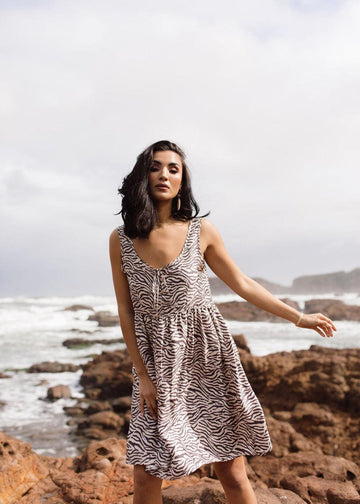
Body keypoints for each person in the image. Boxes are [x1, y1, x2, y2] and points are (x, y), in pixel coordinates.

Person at [109, 140, 336, 504]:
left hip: (206, 357)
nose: (164, 174)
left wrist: (298, 317)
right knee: (146, 470)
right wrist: (143, 376)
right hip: (157, 364)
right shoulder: (120, 240)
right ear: (142, 174)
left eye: (173, 168)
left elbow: (242, 283)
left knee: (231, 469)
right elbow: (126, 311)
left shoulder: (202, 231)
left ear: (183, 180)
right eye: (155, 167)